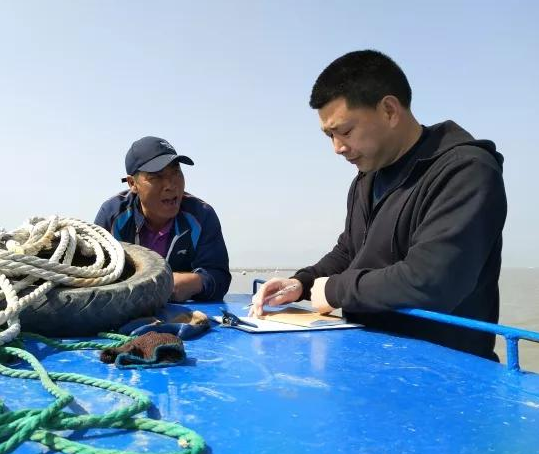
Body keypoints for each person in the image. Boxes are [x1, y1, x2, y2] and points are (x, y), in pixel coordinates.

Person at [250, 50, 507, 360]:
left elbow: (430, 281)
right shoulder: (365, 177)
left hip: (447, 372)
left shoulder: (466, 171)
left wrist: (334, 291)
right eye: (329, 135)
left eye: (344, 131)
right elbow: (349, 251)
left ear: (389, 110)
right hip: (369, 359)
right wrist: (301, 284)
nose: (337, 148)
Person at [95, 136, 231, 302]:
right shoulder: (112, 215)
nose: (170, 185)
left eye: (175, 172)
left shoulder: (202, 216)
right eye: (156, 177)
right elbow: (95, 275)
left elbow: (219, 276)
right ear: (132, 184)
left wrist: (193, 283)